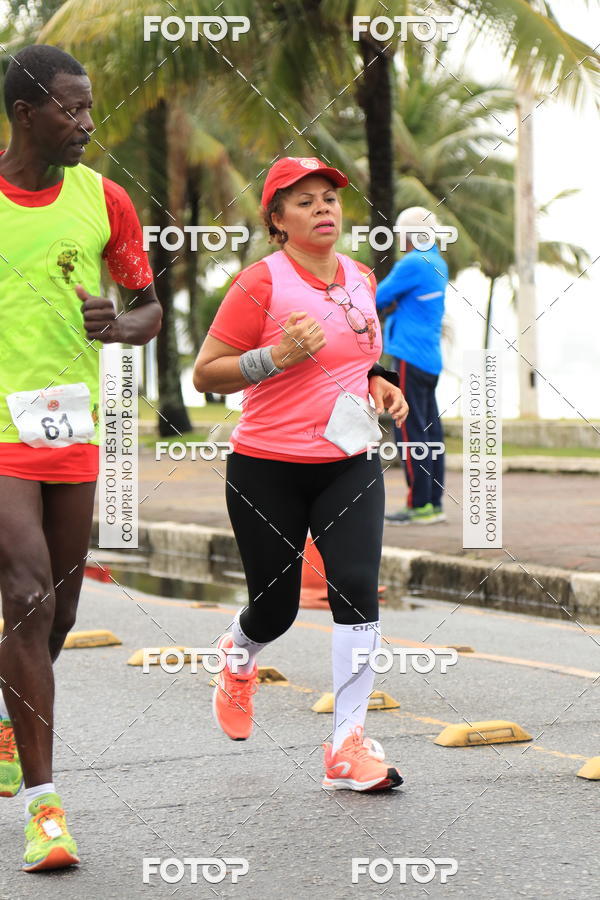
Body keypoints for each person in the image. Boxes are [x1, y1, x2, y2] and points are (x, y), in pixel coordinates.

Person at [193, 156, 409, 792]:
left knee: (354, 584)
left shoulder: (361, 276)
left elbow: (363, 352)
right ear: (277, 220)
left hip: (349, 461)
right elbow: (206, 373)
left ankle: (346, 744)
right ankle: (237, 652)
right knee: (277, 607)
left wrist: (382, 384)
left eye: (330, 199)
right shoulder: (260, 282)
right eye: (305, 200)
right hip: (266, 467)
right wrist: (274, 357)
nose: (323, 208)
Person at [0, 45, 162, 871]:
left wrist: (122, 325)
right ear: (26, 113)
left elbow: (151, 307)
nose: (87, 125)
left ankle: (8, 711)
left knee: (57, 616)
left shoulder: (106, 201)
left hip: (69, 430)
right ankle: (46, 810)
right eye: (71, 110)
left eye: (90, 109)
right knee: (24, 593)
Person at [376, 206, 448, 525]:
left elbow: (377, 297)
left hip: (408, 355)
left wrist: (389, 306)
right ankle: (432, 503)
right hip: (430, 360)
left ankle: (417, 505)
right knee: (431, 431)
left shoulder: (413, 262)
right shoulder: (437, 262)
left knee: (408, 430)